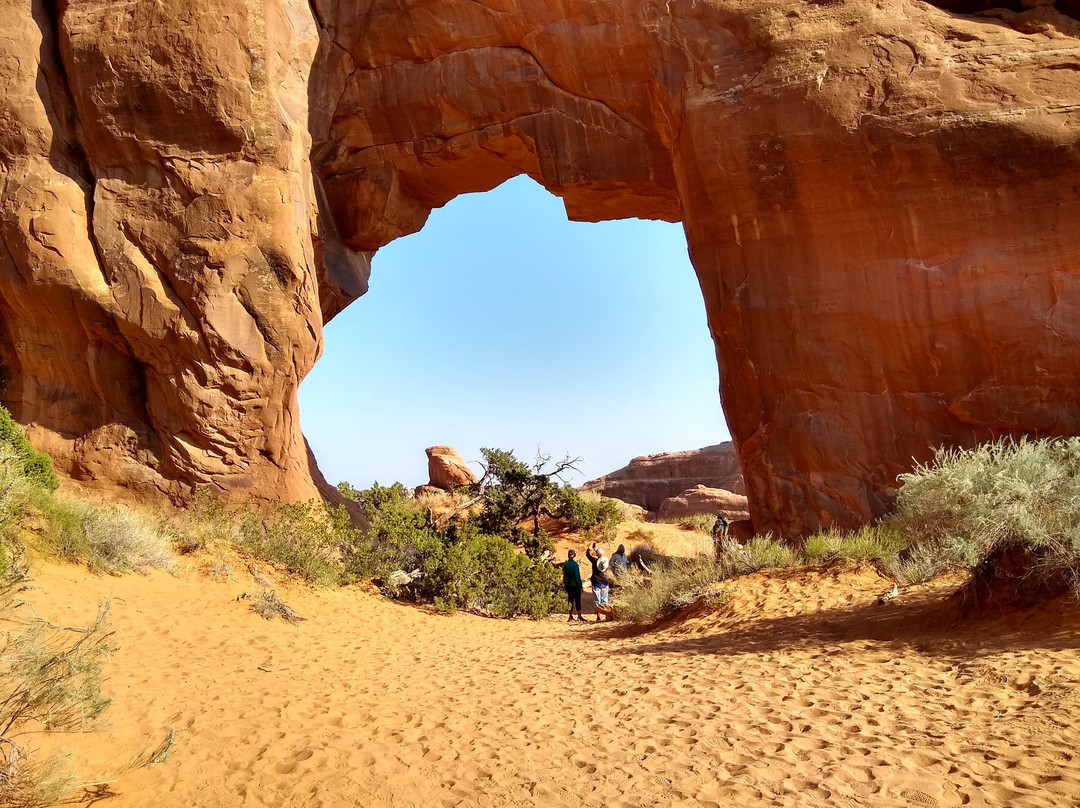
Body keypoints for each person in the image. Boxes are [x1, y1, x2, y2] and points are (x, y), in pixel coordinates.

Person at [586, 543, 611, 622]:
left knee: (597, 600)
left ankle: (598, 616)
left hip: (596, 582)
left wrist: (591, 548)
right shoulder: (606, 562)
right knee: (605, 599)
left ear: (597, 554)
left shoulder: (594, 561)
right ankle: (607, 615)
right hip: (605, 582)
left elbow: (588, 555)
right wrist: (596, 549)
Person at [562, 549, 584, 622]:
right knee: (578, 601)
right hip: (575, 585)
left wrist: (565, 585)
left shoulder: (565, 565)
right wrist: (580, 586)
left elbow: (565, 576)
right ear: (574, 555)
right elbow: (577, 576)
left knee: (570, 600)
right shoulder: (575, 564)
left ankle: (570, 616)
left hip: (569, 585)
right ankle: (579, 616)